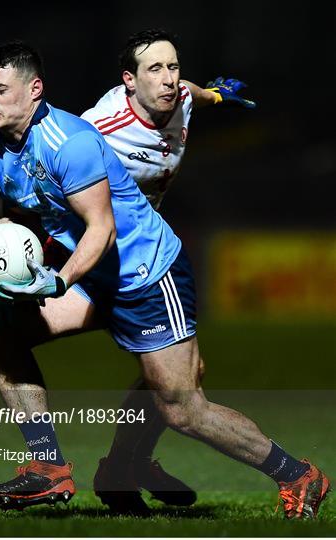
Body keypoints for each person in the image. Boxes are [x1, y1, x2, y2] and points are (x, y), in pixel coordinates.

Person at [0, 40, 329, 520]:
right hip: (94, 275)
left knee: (182, 407)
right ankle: (49, 466)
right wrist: (3, 263)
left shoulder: (71, 142)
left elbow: (103, 229)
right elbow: (14, 205)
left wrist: (56, 281)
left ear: (34, 90)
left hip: (146, 274)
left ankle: (297, 474)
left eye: (0, 88)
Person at [79, 28, 256, 513]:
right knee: (180, 384)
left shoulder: (179, 95)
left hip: (143, 242)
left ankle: (123, 467)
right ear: (128, 80)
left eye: (173, 66)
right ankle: (120, 466)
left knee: (182, 373)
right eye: (154, 69)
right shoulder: (99, 126)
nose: (168, 78)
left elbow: (193, 93)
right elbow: (58, 158)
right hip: (113, 253)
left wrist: (216, 94)